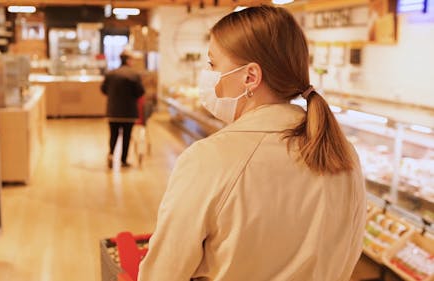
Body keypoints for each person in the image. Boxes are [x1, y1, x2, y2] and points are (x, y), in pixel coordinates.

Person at [139, 5, 365, 281]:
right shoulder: (341, 153)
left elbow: (163, 273)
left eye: (212, 64)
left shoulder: (208, 159)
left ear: (250, 77)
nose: (207, 75)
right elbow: (351, 251)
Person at [101, 51, 145, 168]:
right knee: (126, 136)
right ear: (129, 60)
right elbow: (140, 92)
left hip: (113, 110)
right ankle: (123, 160)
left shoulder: (111, 73)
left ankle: (111, 154)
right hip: (129, 111)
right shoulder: (134, 75)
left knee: (113, 134)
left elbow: (103, 89)